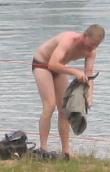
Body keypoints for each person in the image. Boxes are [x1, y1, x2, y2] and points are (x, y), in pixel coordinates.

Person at [31, 24, 104, 159]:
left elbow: (89, 76)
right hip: (42, 64)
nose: (93, 48)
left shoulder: (91, 52)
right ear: (85, 36)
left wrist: (89, 96)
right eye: (92, 44)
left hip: (59, 68)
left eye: (96, 46)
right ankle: (44, 147)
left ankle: (66, 150)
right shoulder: (68, 40)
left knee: (65, 108)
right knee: (50, 105)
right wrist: (75, 72)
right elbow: (52, 64)